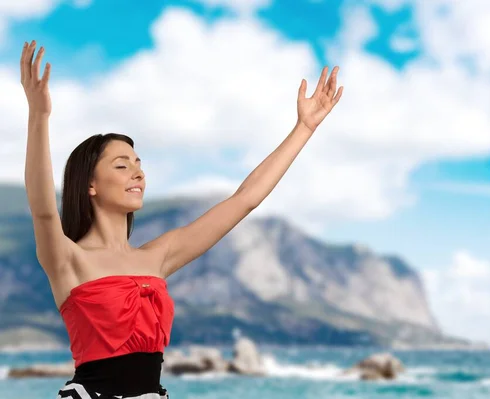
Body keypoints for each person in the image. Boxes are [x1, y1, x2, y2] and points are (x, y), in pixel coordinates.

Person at [20, 40, 343, 398]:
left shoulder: (157, 256)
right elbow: (42, 207)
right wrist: (39, 115)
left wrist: (304, 128)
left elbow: (244, 200)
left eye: (139, 164)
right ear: (90, 185)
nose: (137, 174)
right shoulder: (67, 259)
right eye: (122, 165)